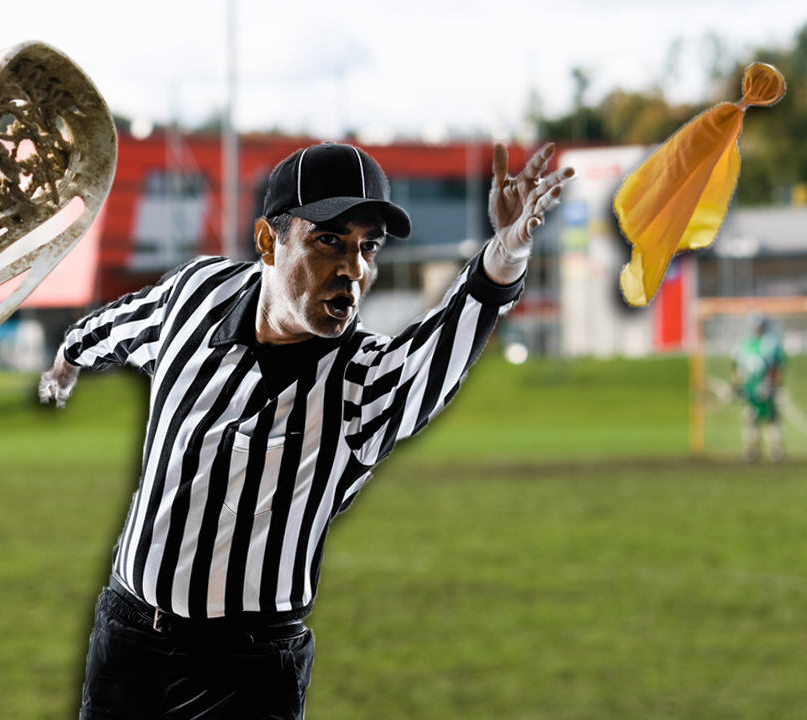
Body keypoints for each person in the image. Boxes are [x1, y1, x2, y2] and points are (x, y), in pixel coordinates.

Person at [39, 141, 574, 719]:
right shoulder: (197, 298)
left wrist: (506, 253)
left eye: (368, 248)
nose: (354, 268)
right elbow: (113, 328)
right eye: (330, 241)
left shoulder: (362, 384)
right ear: (270, 242)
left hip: (248, 672)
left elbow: (444, 344)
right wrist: (64, 370)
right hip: (128, 643)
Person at [732, 313, 786, 462]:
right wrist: (737, 386)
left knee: (771, 418)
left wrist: (769, 385)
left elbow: (778, 366)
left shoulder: (771, 343)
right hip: (749, 389)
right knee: (750, 417)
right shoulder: (743, 344)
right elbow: (737, 368)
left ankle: (775, 450)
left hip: (767, 388)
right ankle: (752, 449)